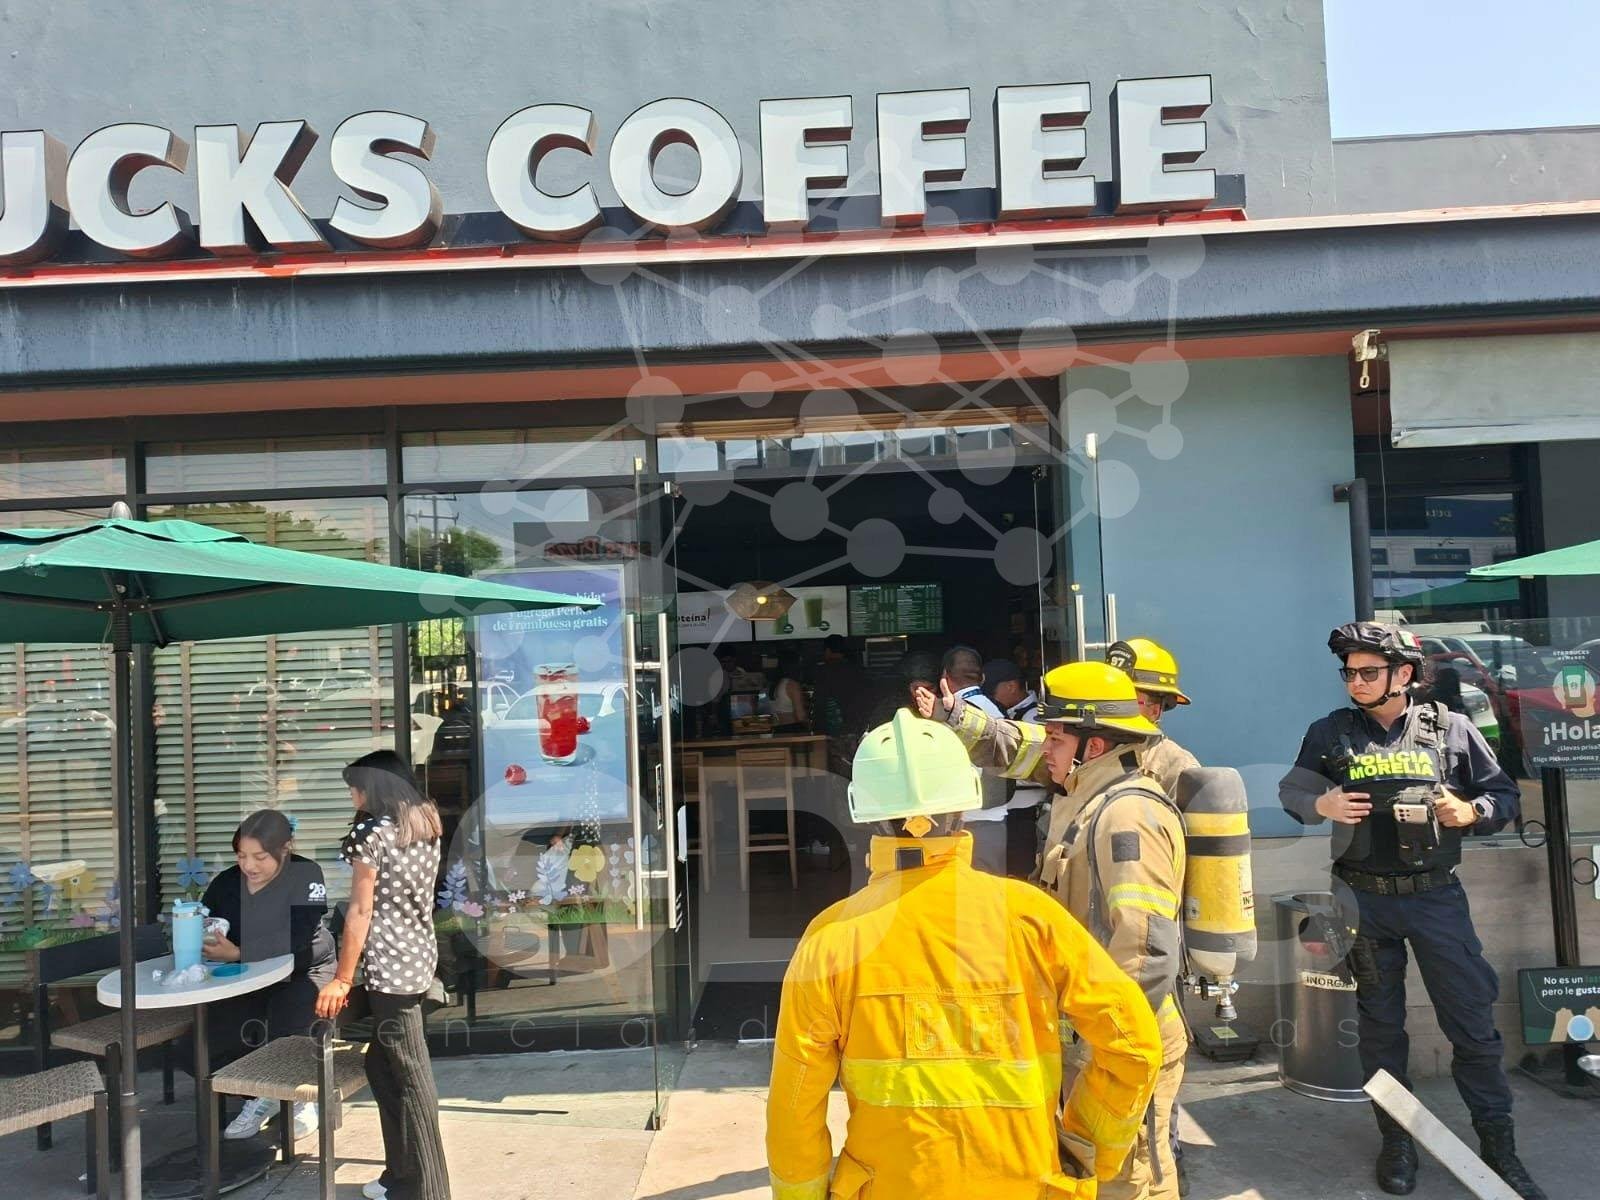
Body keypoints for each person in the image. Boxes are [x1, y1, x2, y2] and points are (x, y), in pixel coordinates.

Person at [766, 709, 1162, 1200]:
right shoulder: (1031, 918)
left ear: (865, 813)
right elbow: (1136, 1045)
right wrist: (1086, 1149)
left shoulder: (830, 939)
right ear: (964, 805)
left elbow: (794, 1104)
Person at [1279, 622, 1544, 1199]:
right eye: (1348, 671)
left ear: (1404, 674)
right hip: (1363, 901)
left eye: (1367, 671)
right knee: (1380, 1031)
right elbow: (1292, 794)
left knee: (1472, 1026)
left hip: (1434, 900)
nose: (1355, 681)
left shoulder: (1452, 728)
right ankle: (1396, 1140)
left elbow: (1504, 796)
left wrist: (1470, 811)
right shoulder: (1330, 732)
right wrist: (1319, 802)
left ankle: (1499, 1147)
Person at [918, 661, 1188, 1199]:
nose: (1045, 748)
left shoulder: (1126, 816)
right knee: (1089, 1169)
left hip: (1118, 1041)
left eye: (1056, 737)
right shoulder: (1084, 795)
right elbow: (1010, 745)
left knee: (1129, 1177)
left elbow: (1144, 949)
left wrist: (1106, 1045)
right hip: (1092, 1033)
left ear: (1092, 746)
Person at [316, 750, 451, 1200]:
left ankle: (428, 1188)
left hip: (388, 968)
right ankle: (399, 1174)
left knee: (411, 1075)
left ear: (371, 788)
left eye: (354, 787)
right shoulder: (425, 822)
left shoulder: (370, 834)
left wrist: (341, 977)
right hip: (417, 957)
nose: (351, 796)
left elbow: (360, 910)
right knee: (382, 1063)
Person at [199, 809, 336, 1142]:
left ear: (285, 849)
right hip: (248, 974)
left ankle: (301, 1098)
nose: (249, 866)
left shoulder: (306, 874)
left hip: (304, 967)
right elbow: (208, 916)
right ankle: (262, 1096)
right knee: (215, 1031)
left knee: (289, 1024)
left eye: (259, 856)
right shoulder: (227, 882)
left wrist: (239, 951)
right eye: (242, 855)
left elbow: (300, 935)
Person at [940, 645, 1011, 874]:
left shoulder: (943, 716)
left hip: (958, 828)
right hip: (994, 825)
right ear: (982, 678)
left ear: (945, 678)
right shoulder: (999, 714)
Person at [1105, 639, 1200, 797]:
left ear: (1155, 710)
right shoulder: (1085, 751)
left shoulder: (1178, 768)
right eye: (1109, 694)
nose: (1112, 704)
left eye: (1127, 697)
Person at [984, 657, 1048, 878]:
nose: (990, 697)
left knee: (1021, 877)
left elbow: (1039, 767)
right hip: (1010, 812)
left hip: (1028, 815)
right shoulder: (1012, 713)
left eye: (992, 691)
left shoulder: (1036, 717)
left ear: (1011, 686)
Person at [768, 650, 809, 733]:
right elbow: (800, 716)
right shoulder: (792, 685)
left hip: (776, 730)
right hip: (792, 730)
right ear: (794, 665)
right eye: (800, 663)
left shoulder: (776, 683)